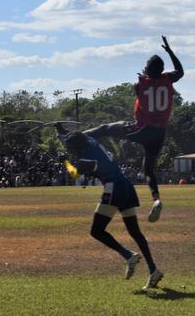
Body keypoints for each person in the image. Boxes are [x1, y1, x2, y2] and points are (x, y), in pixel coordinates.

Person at [63, 35, 183, 223]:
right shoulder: (168, 79)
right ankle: (156, 199)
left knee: (105, 128)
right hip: (159, 134)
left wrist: (146, 75)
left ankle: (74, 137)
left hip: (142, 128)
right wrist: (170, 52)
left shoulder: (140, 84)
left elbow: (144, 85)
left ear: (148, 70)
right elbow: (179, 71)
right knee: (148, 170)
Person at [59, 130, 164, 290]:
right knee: (135, 231)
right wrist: (61, 131)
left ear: (77, 147)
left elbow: (74, 174)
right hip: (126, 185)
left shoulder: (85, 160)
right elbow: (76, 136)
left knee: (97, 230)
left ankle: (128, 255)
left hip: (113, 187)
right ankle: (153, 269)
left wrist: (66, 162)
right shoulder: (91, 140)